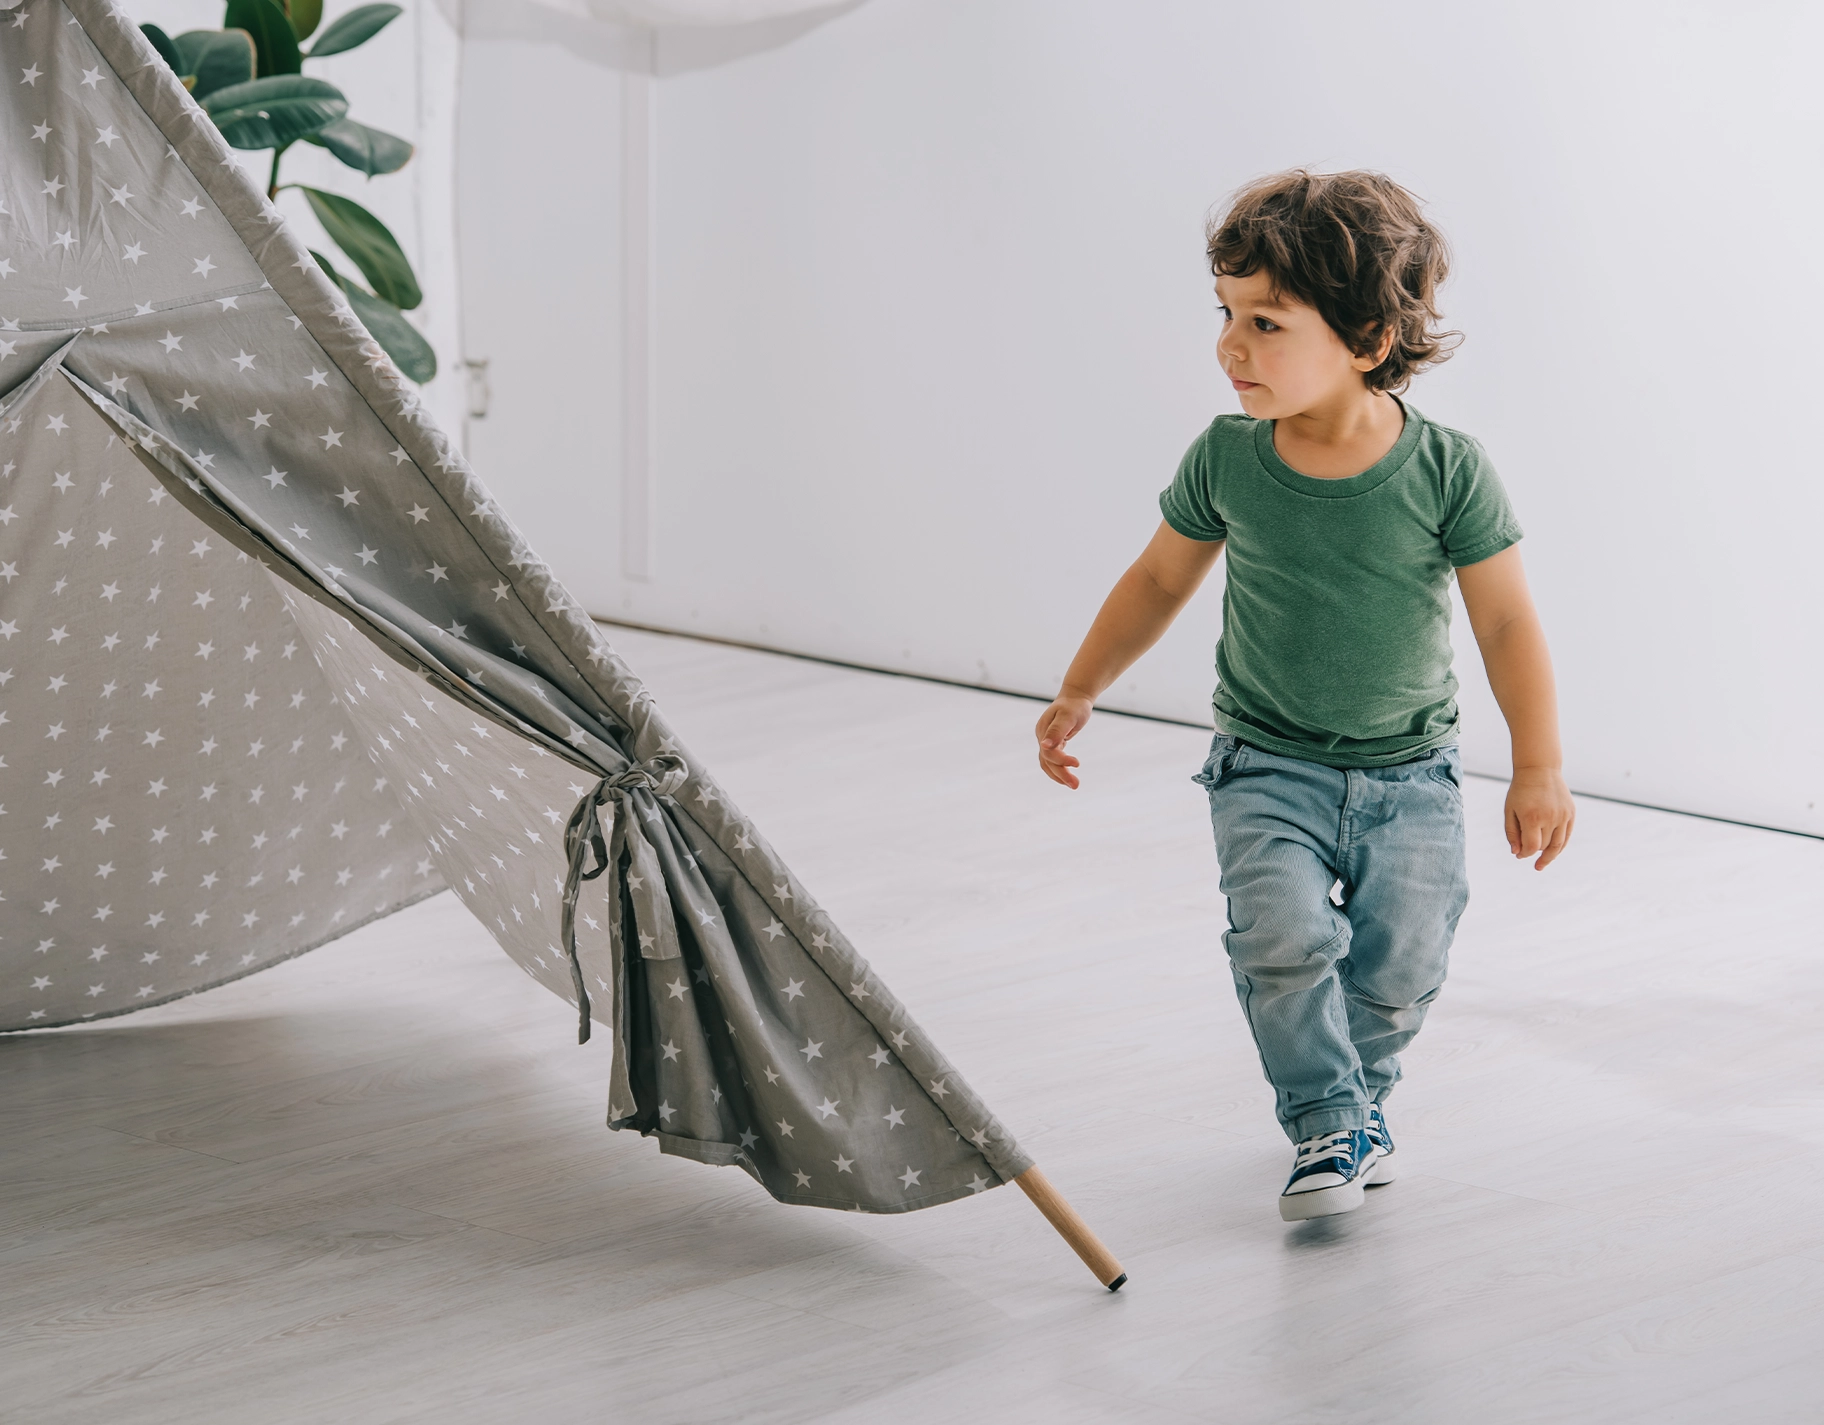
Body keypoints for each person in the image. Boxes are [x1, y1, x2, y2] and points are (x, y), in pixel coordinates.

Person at [1034, 169, 1577, 1222]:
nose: (1231, 346)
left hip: (1410, 774)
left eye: (1266, 322)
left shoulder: (1448, 472)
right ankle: (1327, 1119)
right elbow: (1157, 579)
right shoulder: (1228, 460)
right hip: (1265, 763)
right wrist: (1081, 685)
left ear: (1370, 339)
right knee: (1281, 940)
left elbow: (1507, 622)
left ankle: (1360, 1099)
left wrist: (1540, 765)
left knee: (1402, 967)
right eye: (1226, 316)